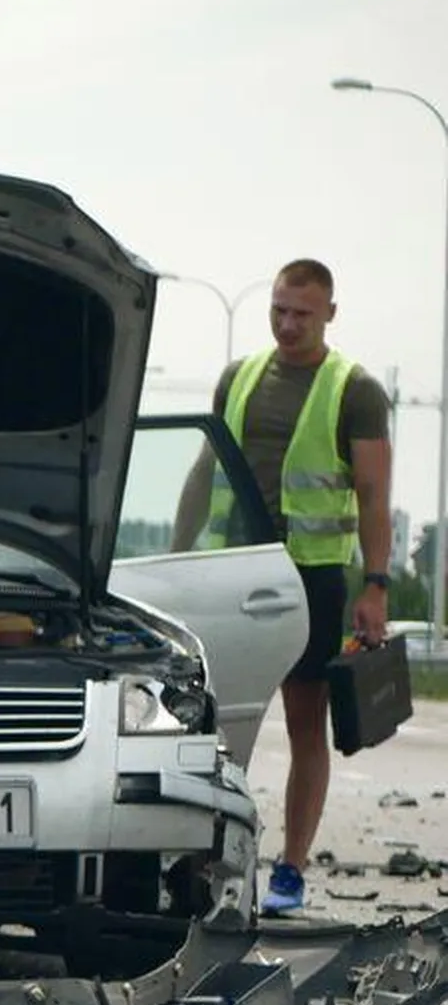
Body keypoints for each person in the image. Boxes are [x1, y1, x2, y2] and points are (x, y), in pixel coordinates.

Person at [172, 257, 394, 915]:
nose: (288, 323)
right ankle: (202, 860)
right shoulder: (237, 378)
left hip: (310, 580)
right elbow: (202, 465)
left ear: (330, 312)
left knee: (306, 723)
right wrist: (175, 558)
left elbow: (376, 497)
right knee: (202, 726)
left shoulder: (353, 389)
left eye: (301, 312)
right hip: (229, 571)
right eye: (279, 310)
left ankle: (291, 870)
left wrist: (376, 584)